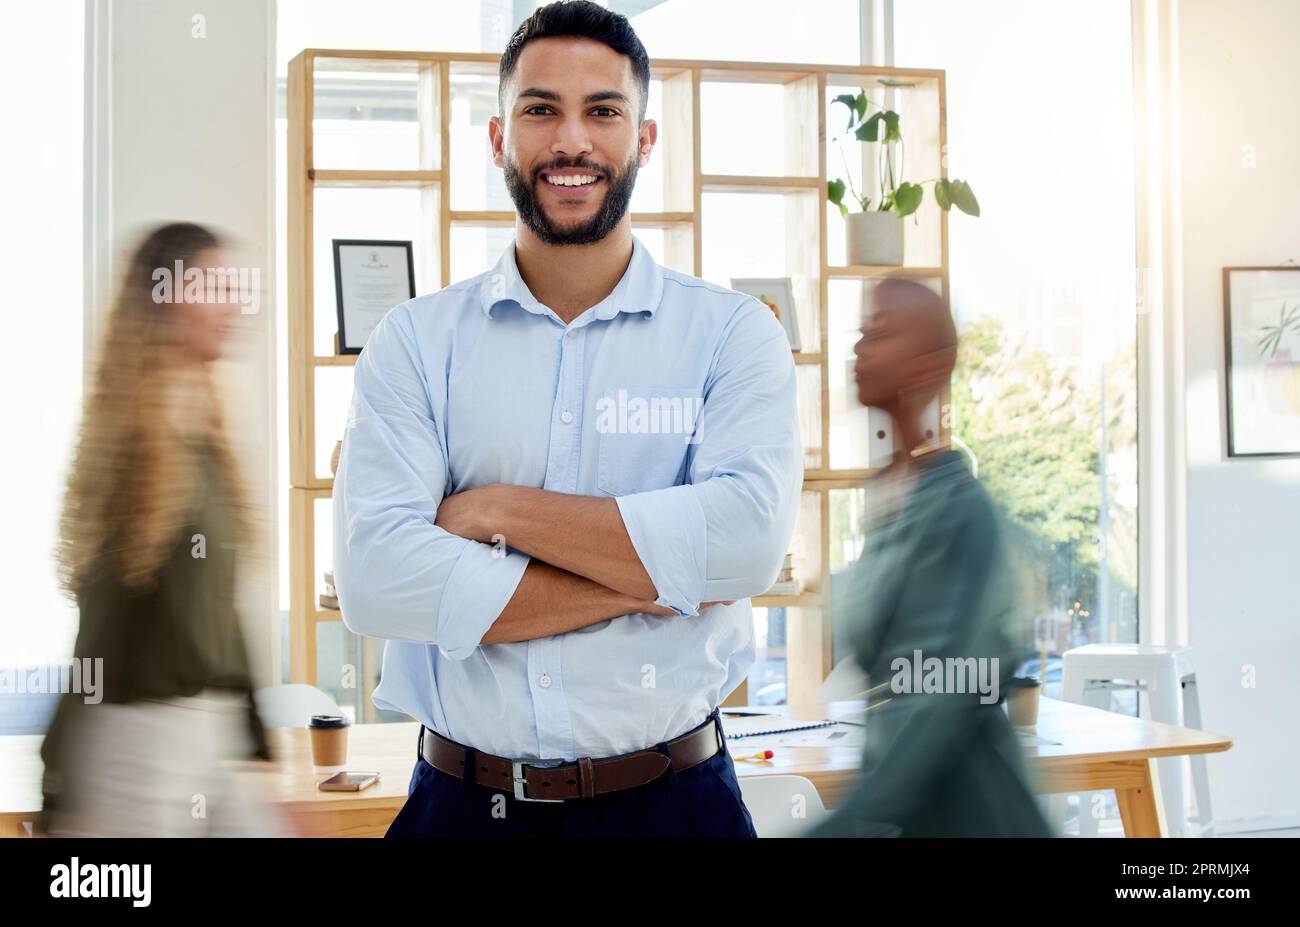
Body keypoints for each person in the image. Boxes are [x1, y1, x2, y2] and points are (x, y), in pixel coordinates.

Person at [333, 0, 803, 837]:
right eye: (541, 109)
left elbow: (743, 545)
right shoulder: (415, 341)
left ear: (645, 140)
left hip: (674, 807)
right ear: (498, 137)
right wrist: (649, 574)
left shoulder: (734, 334)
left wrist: (498, 511)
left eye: (604, 111)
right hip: (460, 807)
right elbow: (375, 579)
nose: (571, 142)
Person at [40, 222, 286, 837]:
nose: (234, 303)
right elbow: (100, 629)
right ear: (164, 297)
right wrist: (58, 784)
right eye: (215, 285)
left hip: (212, 729)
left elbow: (222, 613)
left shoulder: (208, 442)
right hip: (136, 741)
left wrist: (258, 752)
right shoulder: (131, 450)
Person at [808, 278, 1051, 838]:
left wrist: (838, 827)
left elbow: (934, 703)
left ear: (928, 364)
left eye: (880, 333)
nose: (859, 348)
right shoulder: (891, 498)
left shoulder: (961, 513)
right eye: (861, 331)